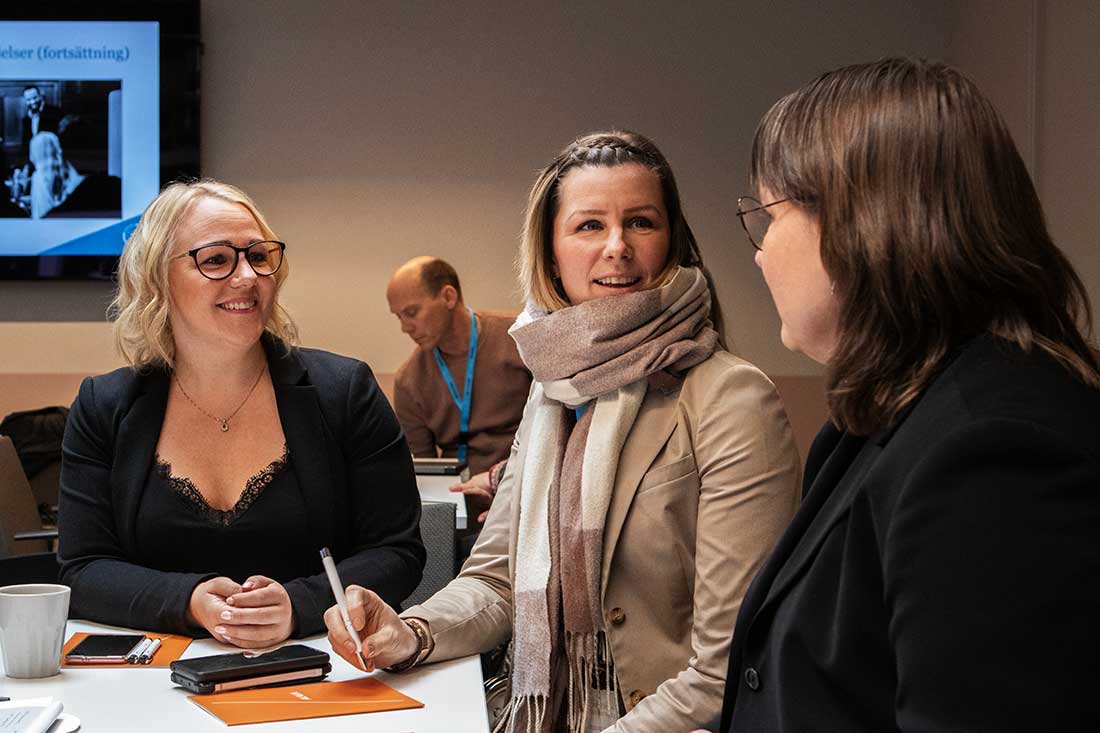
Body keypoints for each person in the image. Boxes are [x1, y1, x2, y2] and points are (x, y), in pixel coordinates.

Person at [327, 131, 802, 732]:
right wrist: (411, 630)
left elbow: (724, 672)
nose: (617, 247)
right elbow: (496, 579)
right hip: (539, 709)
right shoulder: (553, 390)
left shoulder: (733, 398)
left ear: (673, 241)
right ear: (551, 253)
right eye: (588, 226)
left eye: (641, 222)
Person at [717, 58, 1100, 732]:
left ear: (861, 223)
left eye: (767, 214)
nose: (758, 252)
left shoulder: (994, 452)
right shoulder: (881, 414)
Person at [59, 179, 425, 648]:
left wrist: (299, 605)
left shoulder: (345, 392)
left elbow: (398, 552)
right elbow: (83, 569)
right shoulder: (102, 406)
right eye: (215, 259)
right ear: (157, 279)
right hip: (152, 680)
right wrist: (189, 600)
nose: (248, 277)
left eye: (258, 256)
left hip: (323, 668)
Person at [386, 256, 532, 521]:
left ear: (449, 297)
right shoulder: (409, 381)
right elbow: (424, 471)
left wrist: (507, 489)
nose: (405, 328)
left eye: (411, 313)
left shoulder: (519, 339)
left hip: (526, 489)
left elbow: (555, 430)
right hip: (460, 506)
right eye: (399, 317)